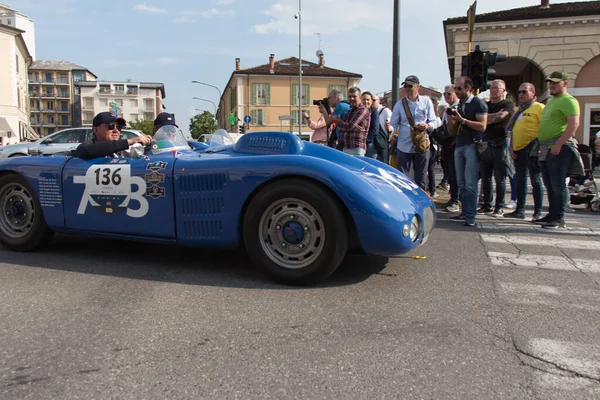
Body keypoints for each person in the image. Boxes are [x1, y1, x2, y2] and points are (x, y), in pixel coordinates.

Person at [536, 71, 582, 229]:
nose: (551, 85)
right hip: (546, 147)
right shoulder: (552, 101)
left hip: (559, 148)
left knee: (558, 184)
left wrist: (559, 144)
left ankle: (559, 218)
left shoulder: (569, 101)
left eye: (555, 82)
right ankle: (552, 215)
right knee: (549, 184)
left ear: (565, 83)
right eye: (550, 83)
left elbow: (574, 124)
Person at [447, 76, 488, 227]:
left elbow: (482, 126)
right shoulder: (459, 105)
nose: (456, 91)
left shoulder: (478, 103)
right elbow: (452, 131)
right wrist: (452, 120)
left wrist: (463, 120)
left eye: (459, 88)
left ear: (468, 88)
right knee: (461, 183)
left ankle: (470, 215)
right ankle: (464, 212)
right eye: (455, 88)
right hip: (460, 144)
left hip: (472, 145)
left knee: (471, 184)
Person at [390, 75, 437, 190]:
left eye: (409, 86)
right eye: (405, 86)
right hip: (404, 143)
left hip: (421, 143)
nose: (406, 88)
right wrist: (390, 131)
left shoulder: (426, 102)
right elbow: (393, 123)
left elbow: (434, 121)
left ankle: (420, 198)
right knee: (402, 176)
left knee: (421, 175)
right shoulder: (400, 104)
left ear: (417, 87)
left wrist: (427, 126)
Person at [506, 83, 545, 221]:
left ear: (533, 93)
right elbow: (512, 130)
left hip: (533, 148)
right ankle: (520, 210)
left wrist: (540, 145)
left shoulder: (539, 107)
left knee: (535, 180)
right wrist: (511, 148)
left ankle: (538, 212)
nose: (521, 94)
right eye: (519, 92)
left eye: (525, 92)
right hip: (518, 149)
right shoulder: (519, 110)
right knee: (520, 180)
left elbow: (544, 127)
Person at [478, 79, 514, 218]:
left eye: (496, 88)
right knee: (486, 177)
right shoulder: (485, 105)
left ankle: (499, 207)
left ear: (503, 91)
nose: (493, 90)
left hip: (500, 143)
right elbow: (479, 119)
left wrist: (486, 118)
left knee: (500, 177)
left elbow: (500, 117)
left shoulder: (507, 104)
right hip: (486, 142)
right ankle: (487, 204)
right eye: (491, 87)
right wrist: (490, 117)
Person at [73, 112, 152, 159]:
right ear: (95, 130)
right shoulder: (86, 148)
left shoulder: (121, 152)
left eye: (119, 127)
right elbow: (101, 148)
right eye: (110, 126)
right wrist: (131, 141)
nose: (116, 130)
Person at [330, 87, 370, 156]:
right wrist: (350, 127)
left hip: (356, 147)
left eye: (354, 96)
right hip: (346, 147)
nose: (352, 99)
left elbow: (350, 126)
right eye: (350, 96)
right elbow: (342, 128)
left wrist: (340, 122)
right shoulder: (349, 111)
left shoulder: (362, 110)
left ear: (360, 97)